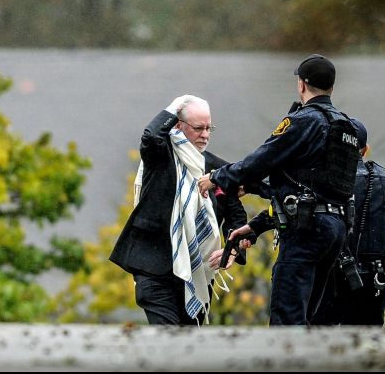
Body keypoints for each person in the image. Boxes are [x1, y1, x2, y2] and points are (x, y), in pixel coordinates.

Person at [198, 54, 360, 326]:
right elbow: (306, 183)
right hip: (336, 229)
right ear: (331, 88)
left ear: (301, 84)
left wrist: (218, 177)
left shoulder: (305, 120)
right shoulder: (346, 127)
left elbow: (262, 159)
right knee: (309, 317)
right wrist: (254, 210)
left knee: (287, 319)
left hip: (307, 230)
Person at [109, 95, 248, 326]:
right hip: (154, 269)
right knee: (168, 337)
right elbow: (152, 135)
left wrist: (232, 250)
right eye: (197, 128)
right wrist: (179, 103)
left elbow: (236, 215)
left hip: (199, 273)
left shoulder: (218, 170)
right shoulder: (160, 155)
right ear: (178, 125)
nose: (205, 135)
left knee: (190, 345)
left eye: (208, 128)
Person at [311, 118, 385, 326]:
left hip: (332, 277)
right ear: (365, 150)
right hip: (375, 280)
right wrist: (382, 221)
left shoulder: (321, 178)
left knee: (323, 342)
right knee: (368, 343)